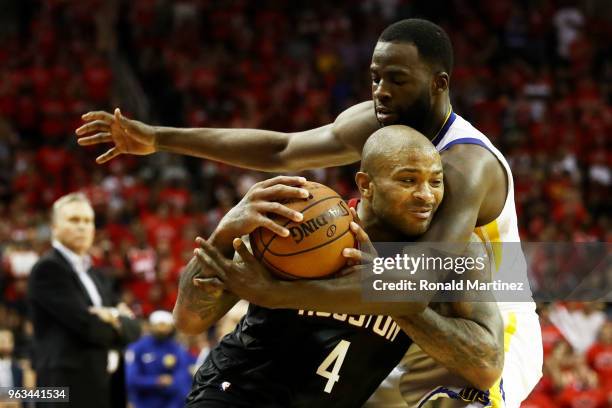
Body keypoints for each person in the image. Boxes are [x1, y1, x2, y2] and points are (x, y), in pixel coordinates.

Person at [76, 18, 542, 407]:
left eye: (396, 80)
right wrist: (158, 138)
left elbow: (414, 282)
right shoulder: (383, 125)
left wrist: (275, 293)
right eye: (375, 77)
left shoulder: (465, 165)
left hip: (482, 311)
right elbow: (283, 149)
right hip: (396, 305)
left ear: (439, 84)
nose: (380, 91)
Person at [174, 126, 504, 407]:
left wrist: (392, 294)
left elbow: (487, 365)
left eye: (436, 181)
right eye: (408, 180)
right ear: (366, 185)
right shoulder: (303, 222)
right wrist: (224, 231)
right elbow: (189, 319)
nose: (426, 195)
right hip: (236, 393)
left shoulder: (452, 254)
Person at [28, 193, 141, 408]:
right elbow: (87, 326)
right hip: (65, 389)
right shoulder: (48, 269)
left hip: (104, 386)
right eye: (74, 220)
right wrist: (120, 321)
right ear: (54, 227)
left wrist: (112, 317)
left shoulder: (97, 275)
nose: (82, 227)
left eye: (88, 221)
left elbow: (134, 328)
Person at [125, 310, 193, 408]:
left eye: (165, 325)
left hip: (170, 404)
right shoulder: (137, 348)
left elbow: (183, 379)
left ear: (170, 327)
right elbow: (130, 379)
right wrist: (156, 381)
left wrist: (171, 383)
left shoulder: (177, 349)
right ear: (150, 325)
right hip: (142, 403)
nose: (162, 328)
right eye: (159, 325)